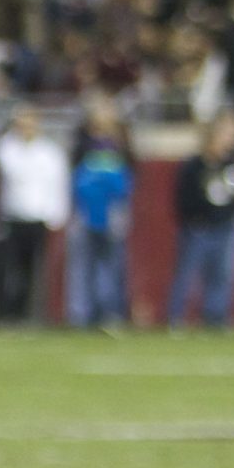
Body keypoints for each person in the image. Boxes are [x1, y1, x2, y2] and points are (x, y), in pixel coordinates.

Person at [167, 112, 234, 328]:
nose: (233, 139)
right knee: (186, 277)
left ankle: (215, 321)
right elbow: (183, 197)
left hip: (224, 227)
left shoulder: (231, 164)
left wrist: (232, 219)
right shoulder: (194, 165)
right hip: (198, 229)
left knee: (222, 278)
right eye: (229, 134)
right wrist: (195, 220)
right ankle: (176, 319)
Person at [0, 110, 69, 323]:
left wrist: (57, 215)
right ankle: (9, 313)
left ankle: (32, 314)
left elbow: (58, 184)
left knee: (36, 270)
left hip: (38, 217)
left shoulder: (49, 152)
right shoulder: (4, 149)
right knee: (10, 269)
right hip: (11, 216)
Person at [66, 105, 134, 329]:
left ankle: (109, 313)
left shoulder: (122, 146)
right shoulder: (81, 145)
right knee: (82, 267)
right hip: (85, 212)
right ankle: (80, 316)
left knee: (111, 267)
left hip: (112, 213)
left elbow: (131, 178)